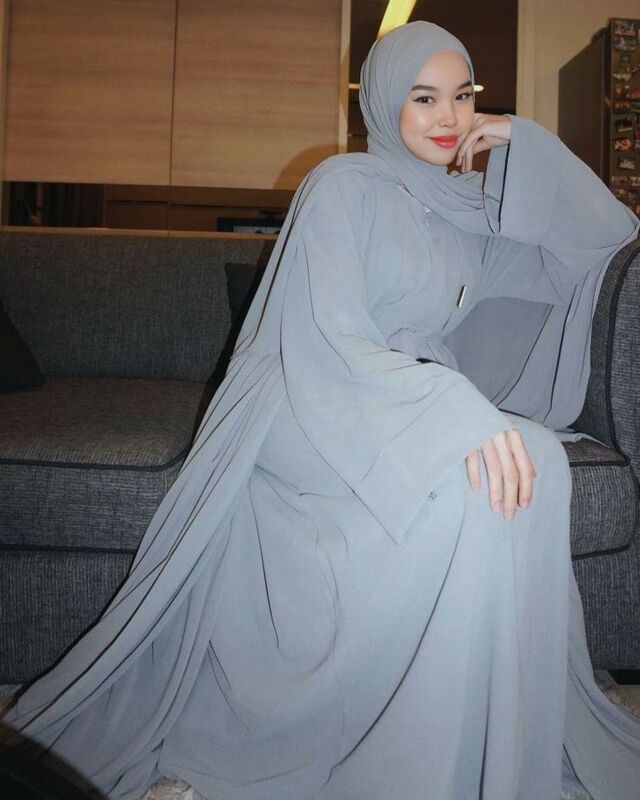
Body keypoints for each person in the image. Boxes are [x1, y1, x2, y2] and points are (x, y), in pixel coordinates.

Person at [2, 20, 640, 800]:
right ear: (383, 102)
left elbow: (608, 239)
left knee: (537, 460)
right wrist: (449, 407)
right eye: (424, 97)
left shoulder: (467, 216)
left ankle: (478, 738)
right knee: (460, 480)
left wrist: (521, 140)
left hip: (407, 399)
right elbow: (328, 332)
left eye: (463, 96)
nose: (448, 117)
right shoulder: (341, 186)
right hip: (313, 395)